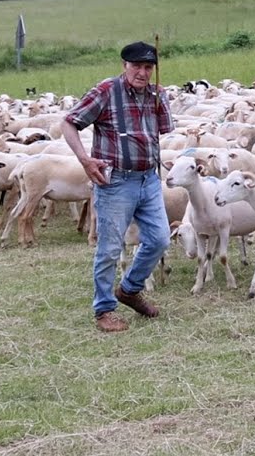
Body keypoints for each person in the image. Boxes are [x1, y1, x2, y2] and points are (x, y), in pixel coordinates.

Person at [62, 41, 174, 333]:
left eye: (148, 67)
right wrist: (85, 160)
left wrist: (161, 102)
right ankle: (104, 310)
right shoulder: (106, 91)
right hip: (115, 182)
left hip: (148, 179)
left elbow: (162, 131)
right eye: (137, 66)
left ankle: (129, 289)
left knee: (160, 239)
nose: (143, 72)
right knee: (110, 248)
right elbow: (69, 123)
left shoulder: (156, 94)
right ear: (125, 65)